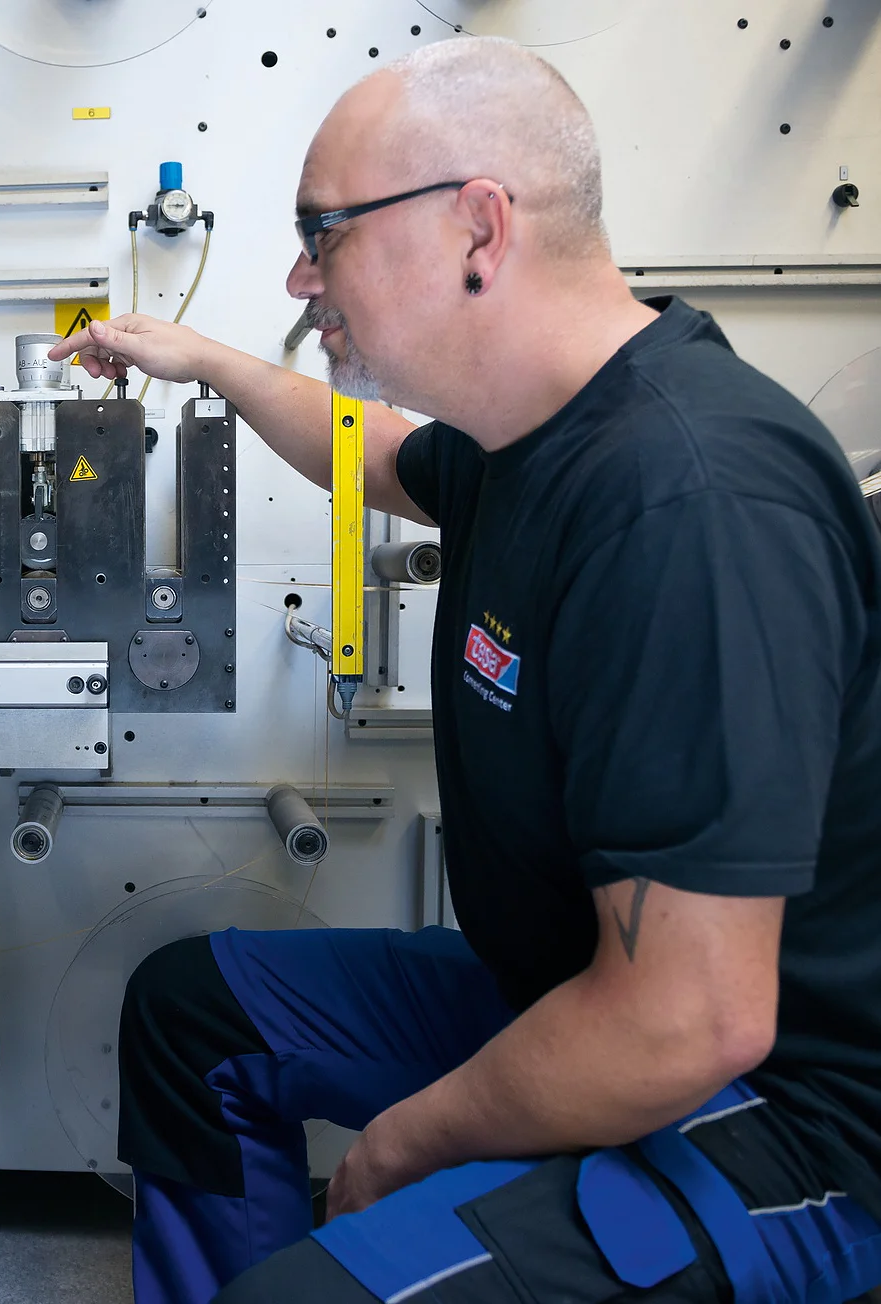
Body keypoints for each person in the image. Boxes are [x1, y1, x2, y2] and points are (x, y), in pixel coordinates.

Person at [51, 36, 881, 1304]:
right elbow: (369, 454)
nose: (296, 272)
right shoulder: (526, 434)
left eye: (319, 232)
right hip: (569, 995)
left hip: (774, 1112)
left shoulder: (688, 502)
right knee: (191, 1009)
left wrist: (402, 1140)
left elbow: (688, 1020)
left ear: (475, 228)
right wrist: (206, 361)